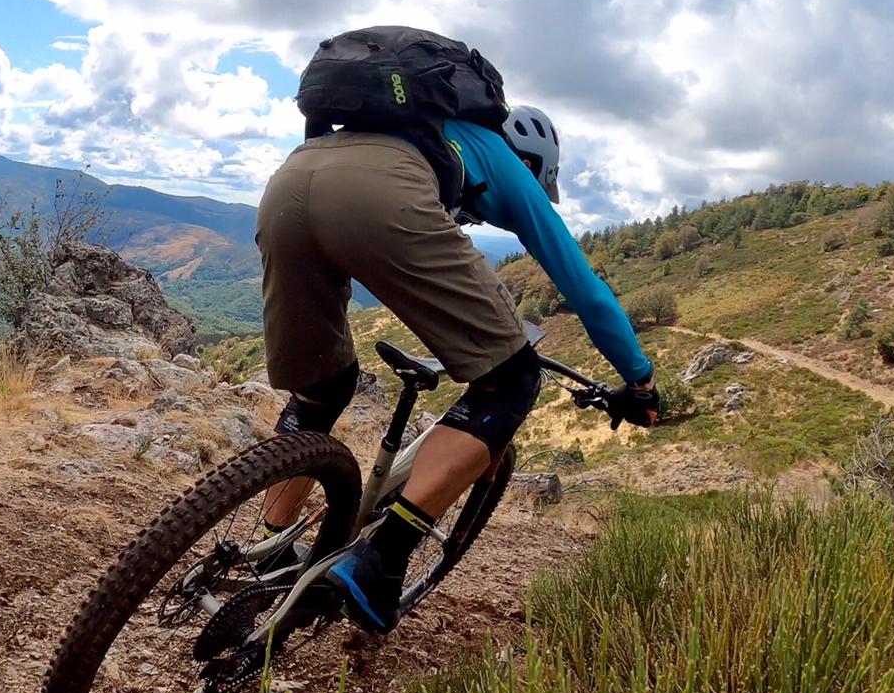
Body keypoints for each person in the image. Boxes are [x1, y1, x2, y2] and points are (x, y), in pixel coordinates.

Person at [254, 96, 659, 633]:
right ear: (532, 164)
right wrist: (641, 382)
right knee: (511, 379)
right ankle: (382, 559)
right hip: (381, 196)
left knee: (323, 387)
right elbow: (586, 291)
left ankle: (267, 549)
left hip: (288, 182)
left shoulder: (415, 129)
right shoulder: (501, 159)